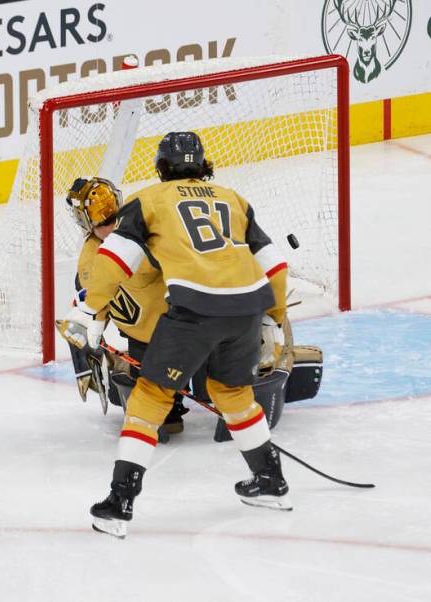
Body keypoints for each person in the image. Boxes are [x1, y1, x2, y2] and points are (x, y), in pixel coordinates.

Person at [66, 132, 290, 538]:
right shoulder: (233, 198)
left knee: (150, 397)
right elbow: (274, 265)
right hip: (246, 309)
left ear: (161, 167)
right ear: (203, 165)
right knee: (233, 393)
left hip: (194, 310)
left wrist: (87, 312)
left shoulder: (149, 201)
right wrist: (272, 319)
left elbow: (115, 260)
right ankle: (271, 481)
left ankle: (119, 503)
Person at [60, 177, 189, 440]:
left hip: (188, 329)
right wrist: (86, 352)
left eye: (113, 216)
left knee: (224, 388)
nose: (111, 224)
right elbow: (88, 310)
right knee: (160, 422)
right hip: (146, 343)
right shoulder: (89, 264)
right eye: (103, 222)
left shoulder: (147, 229)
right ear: (87, 223)